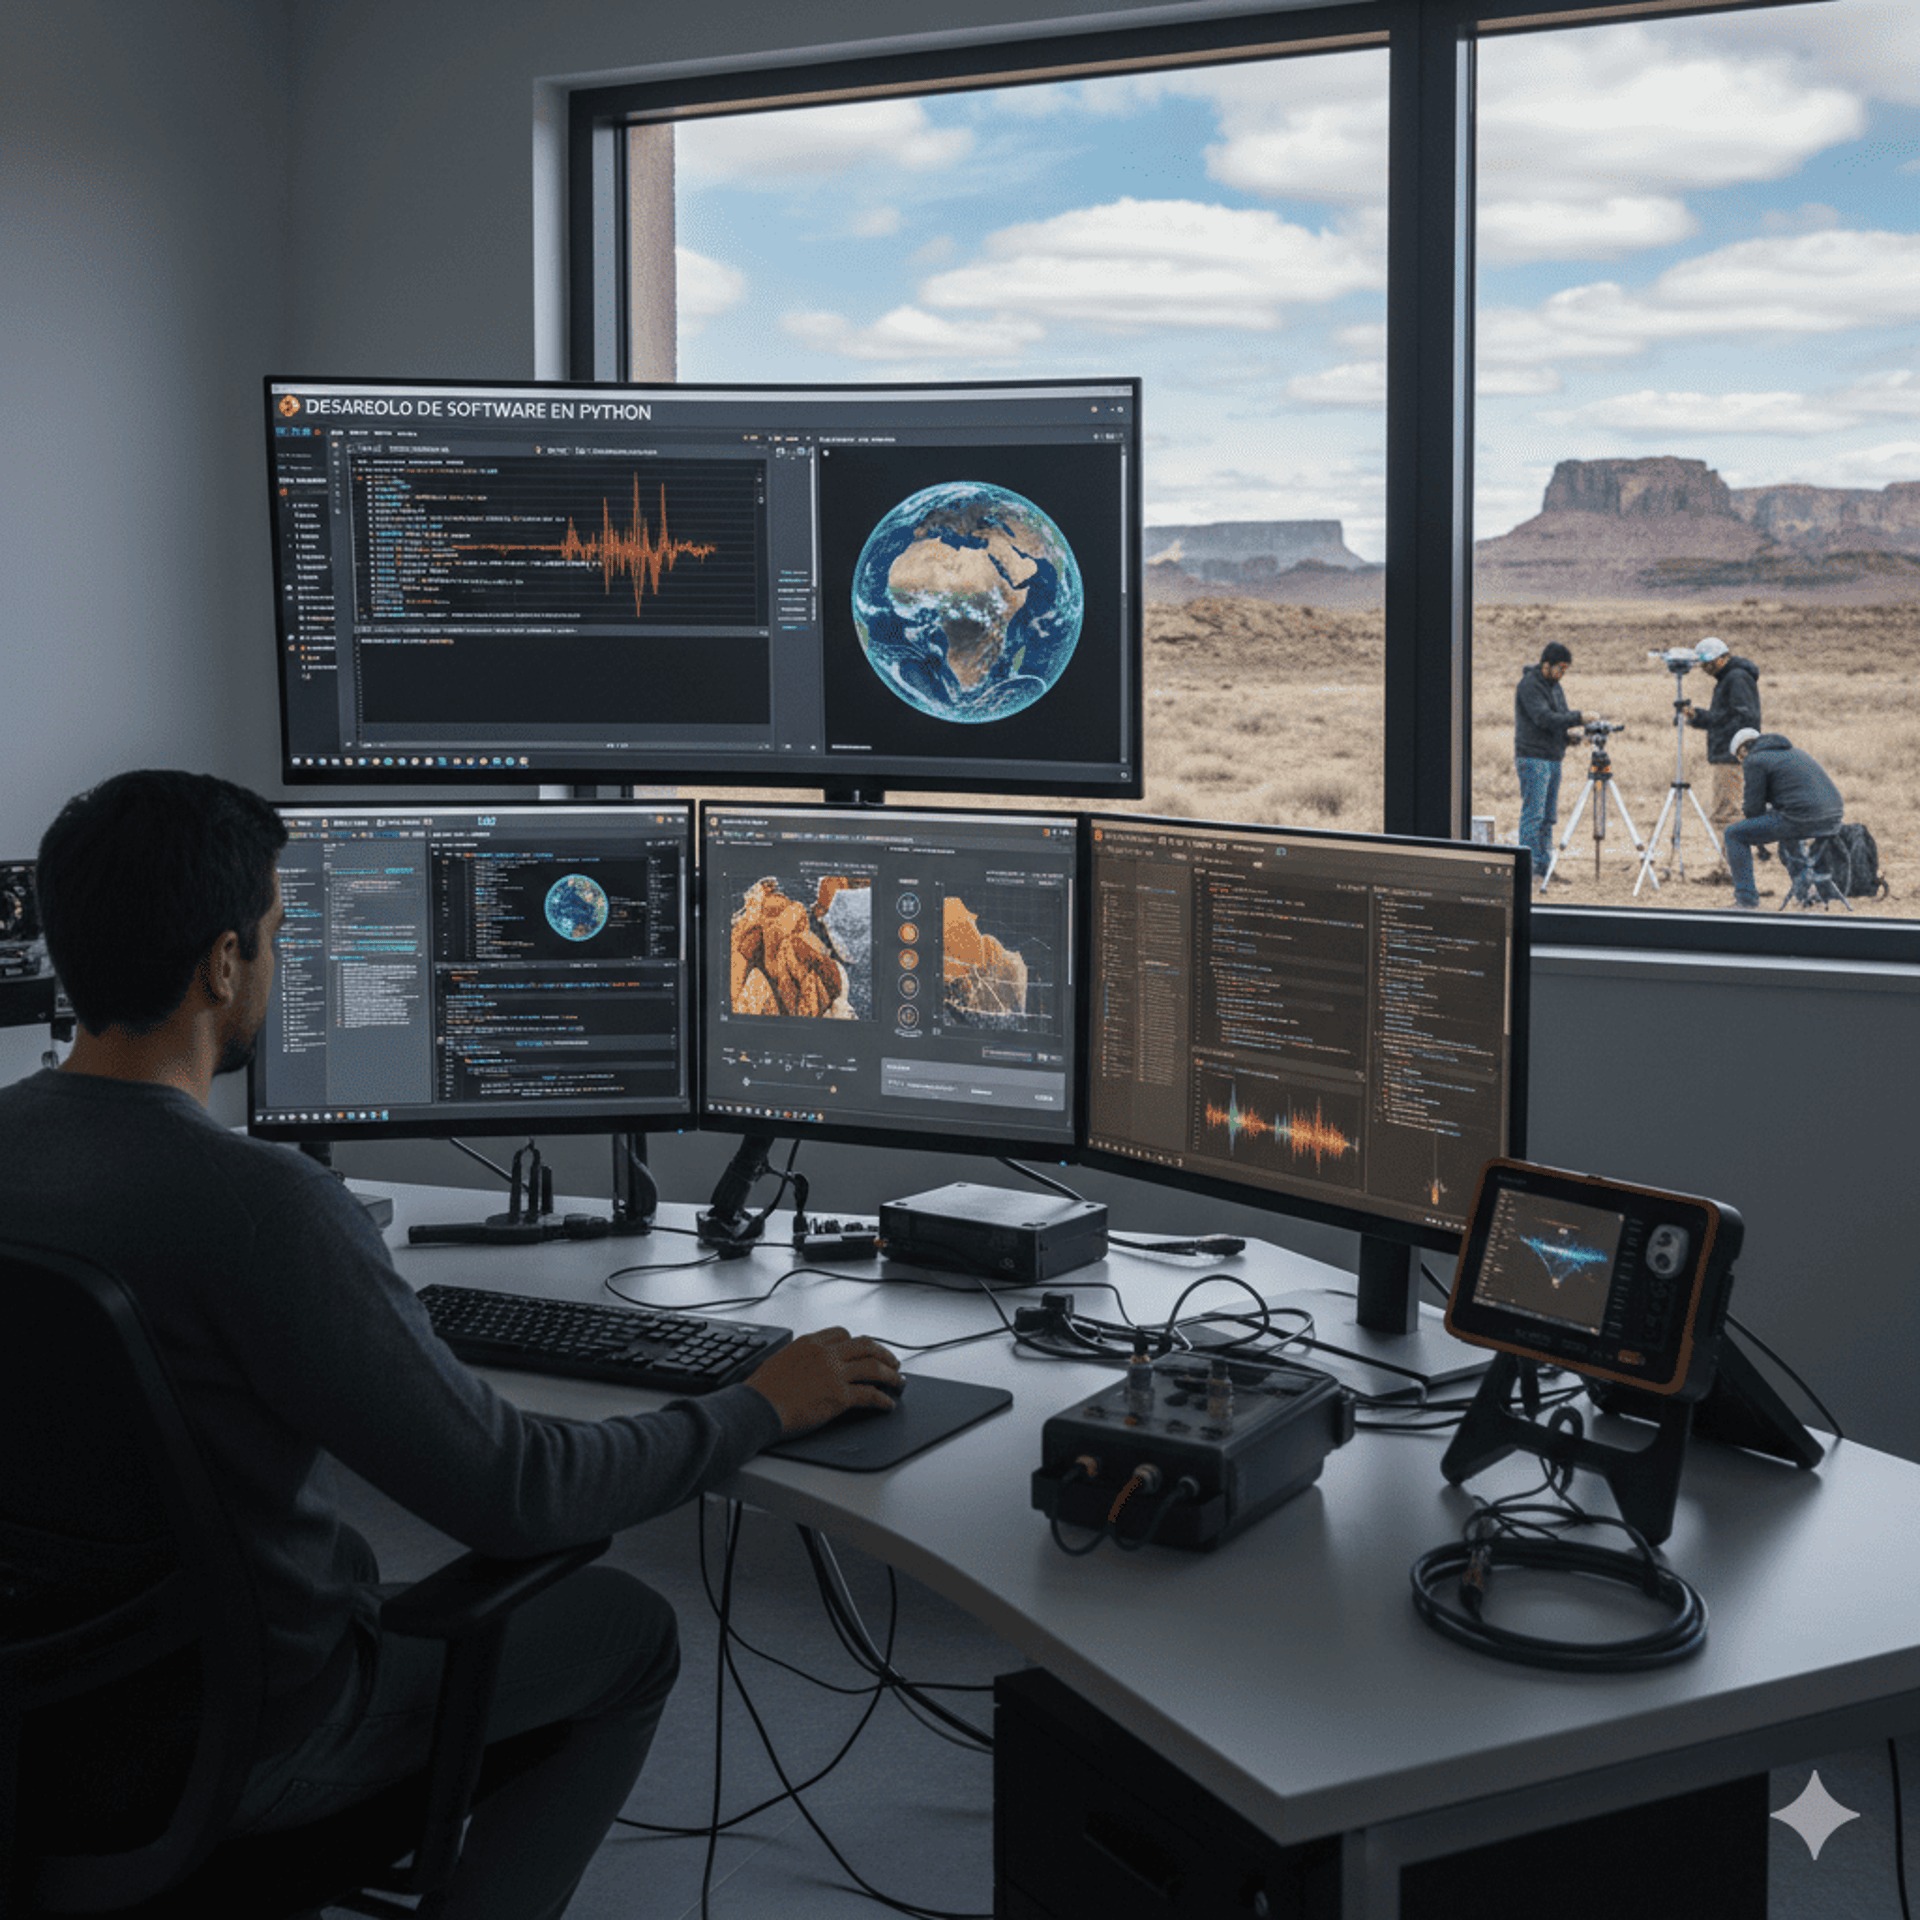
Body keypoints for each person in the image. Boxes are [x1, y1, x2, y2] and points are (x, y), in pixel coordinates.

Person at [1, 768, 904, 1920]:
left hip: (45, 1716)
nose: (281, 956)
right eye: (277, 928)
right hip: (253, 1737)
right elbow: (516, 1495)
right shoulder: (262, 1208)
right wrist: (758, 1404)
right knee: (627, 1632)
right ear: (224, 964)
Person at [1723, 729, 1843, 910]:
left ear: (1745, 749)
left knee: (1733, 834)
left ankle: (1746, 901)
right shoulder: (1794, 753)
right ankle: (1807, 892)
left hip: (1802, 817)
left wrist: (1757, 836)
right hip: (1833, 816)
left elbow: (1753, 809)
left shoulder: (1754, 760)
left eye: (1740, 757)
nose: (1742, 761)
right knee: (1786, 833)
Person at [1680, 637, 1762, 879]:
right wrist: (1699, 717)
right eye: (1703, 664)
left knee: (1728, 813)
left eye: (1708, 663)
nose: (1705, 669)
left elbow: (1742, 718)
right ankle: (1728, 868)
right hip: (1729, 754)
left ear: (1722, 658)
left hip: (1731, 756)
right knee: (1727, 811)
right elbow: (1727, 716)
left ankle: (1732, 871)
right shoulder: (1730, 678)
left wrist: (1708, 719)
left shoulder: (1736, 678)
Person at [1513, 641, 1586, 890]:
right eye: (1560, 668)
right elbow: (1543, 718)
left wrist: (1569, 737)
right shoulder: (1529, 685)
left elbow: (1559, 719)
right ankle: (1527, 870)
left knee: (1547, 817)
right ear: (1547, 665)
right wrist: (1580, 717)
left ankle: (1545, 868)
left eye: (1565, 669)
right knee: (1533, 816)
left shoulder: (1556, 687)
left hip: (1553, 758)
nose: (1562, 673)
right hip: (1534, 758)